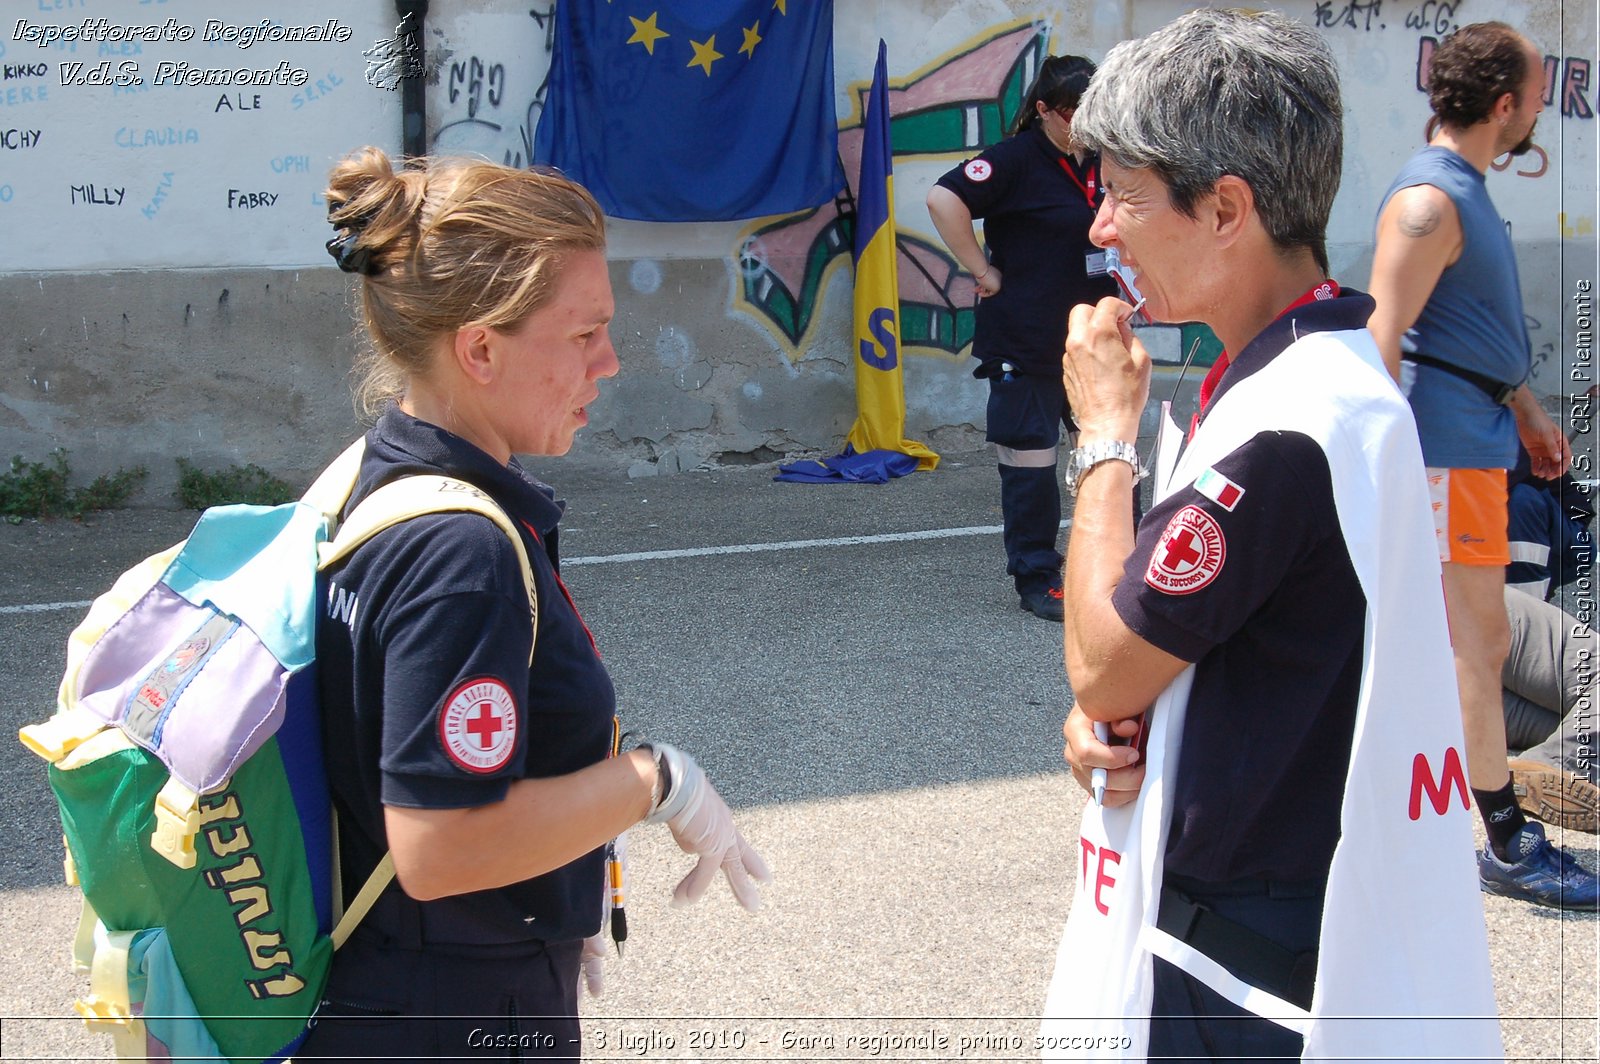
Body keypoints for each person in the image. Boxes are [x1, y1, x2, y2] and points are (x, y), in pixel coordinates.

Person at [1043, 10, 1502, 1061]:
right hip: (1268, 906)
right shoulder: (1317, 363)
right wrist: (1124, 725)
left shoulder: (1286, 425)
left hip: (1240, 960)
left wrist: (1104, 436)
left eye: (1120, 195)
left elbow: (1107, 662)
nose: (1101, 230)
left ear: (1225, 209)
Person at [299, 148, 771, 1061]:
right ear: (479, 347)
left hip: (385, 983)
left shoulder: (373, 470)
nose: (611, 361)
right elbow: (441, 845)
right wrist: (655, 781)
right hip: (455, 1007)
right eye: (584, 333)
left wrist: (553, 886)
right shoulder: (460, 551)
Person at [1367, 20, 1596, 910]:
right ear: (1504, 106)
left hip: (1476, 448)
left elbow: (1458, 334)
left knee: (1476, 640)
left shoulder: (1459, 190)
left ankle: (1443, 815)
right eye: (1538, 93)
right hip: (1443, 461)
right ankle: (1504, 840)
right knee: (1469, 643)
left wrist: (1527, 409)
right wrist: (1385, 479)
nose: (1543, 106)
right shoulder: (1430, 200)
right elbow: (1382, 345)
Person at [925, 56, 1118, 622]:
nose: (1082, 123)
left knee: (1110, 460)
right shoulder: (1015, 161)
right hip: (1029, 342)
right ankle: (1039, 577)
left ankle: (1112, 571)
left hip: (1095, 339)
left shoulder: (1104, 161)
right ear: (1043, 110)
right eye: (1071, 112)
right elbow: (943, 199)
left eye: (1093, 112)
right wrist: (980, 272)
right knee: (1032, 466)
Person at [1503, 586, 1600, 832]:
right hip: (1452, 613)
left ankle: (1547, 770)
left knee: (1569, 725)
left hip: (1426, 692)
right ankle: (1558, 765)